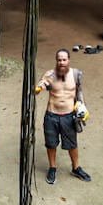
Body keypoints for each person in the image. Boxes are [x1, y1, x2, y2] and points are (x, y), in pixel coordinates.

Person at [35, 49, 92, 185]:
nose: (61, 62)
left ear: (69, 60)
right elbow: (38, 89)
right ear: (56, 60)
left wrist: (82, 107)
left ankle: (76, 168)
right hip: (51, 115)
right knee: (51, 144)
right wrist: (39, 87)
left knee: (72, 144)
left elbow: (79, 92)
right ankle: (52, 168)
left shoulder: (76, 74)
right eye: (59, 60)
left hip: (69, 116)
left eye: (64, 59)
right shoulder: (49, 75)